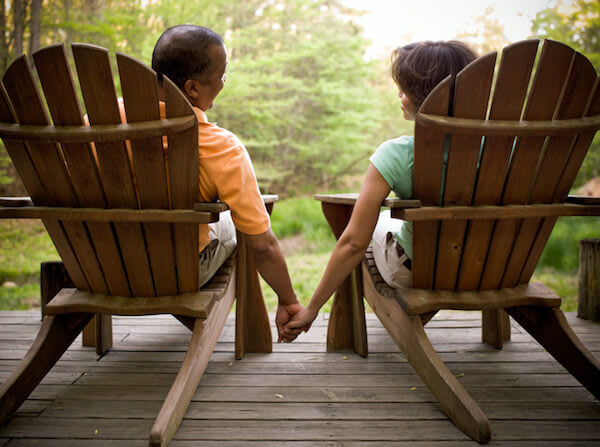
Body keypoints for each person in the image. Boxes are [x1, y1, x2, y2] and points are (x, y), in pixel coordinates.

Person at [284, 41, 477, 337]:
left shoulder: (398, 154)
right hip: (492, 267)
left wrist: (311, 309)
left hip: (419, 272)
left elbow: (353, 244)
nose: (399, 95)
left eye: (405, 89)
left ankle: (346, 335)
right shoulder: (505, 152)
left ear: (426, 97)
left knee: (366, 227)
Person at [152, 24, 302, 341]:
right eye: (222, 75)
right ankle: (252, 335)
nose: (223, 83)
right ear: (192, 88)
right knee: (242, 226)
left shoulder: (95, 124)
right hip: (178, 272)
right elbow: (262, 244)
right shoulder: (220, 147)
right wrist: (289, 300)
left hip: (96, 267)